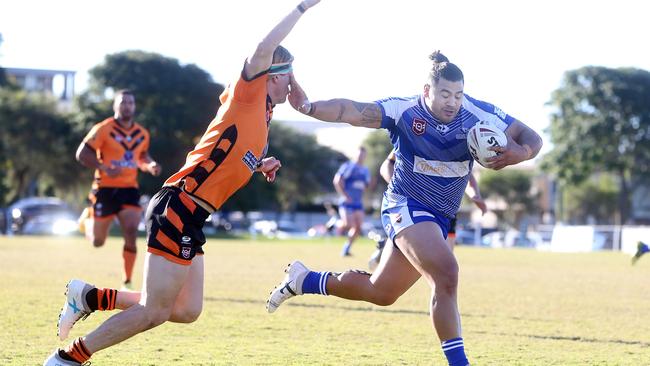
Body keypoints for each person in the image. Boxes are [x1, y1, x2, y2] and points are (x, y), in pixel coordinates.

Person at [44, 1, 321, 365]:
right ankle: (67, 358)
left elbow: (225, 158)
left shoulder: (263, 115)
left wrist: (258, 165)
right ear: (272, 75)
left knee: (186, 309)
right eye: (288, 76)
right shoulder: (246, 94)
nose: (292, 84)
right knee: (154, 311)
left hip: (192, 214)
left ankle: (91, 298)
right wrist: (302, 7)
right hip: (178, 206)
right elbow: (263, 50)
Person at [267, 50, 543, 366]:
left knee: (381, 292)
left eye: (458, 95)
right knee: (447, 274)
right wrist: (308, 107)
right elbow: (350, 110)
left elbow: (531, 137)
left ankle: (304, 280)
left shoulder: (478, 114)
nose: (452, 102)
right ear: (427, 91)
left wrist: (517, 154)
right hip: (405, 206)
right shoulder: (403, 110)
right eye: (444, 94)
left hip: (440, 216)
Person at [75, 89, 161, 290]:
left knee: (131, 231)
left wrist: (151, 165)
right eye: (123, 102)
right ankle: (87, 221)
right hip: (104, 189)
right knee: (97, 242)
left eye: (130, 102)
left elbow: (142, 157)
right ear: (115, 105)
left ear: (135, 106)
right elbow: (81, 154)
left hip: (129, 190)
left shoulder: (142, 133)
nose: (127, 106)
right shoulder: (103, 129)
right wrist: (104, 168)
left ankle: (127, 281)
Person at [368, 150, 487, 270]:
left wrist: (474, 195)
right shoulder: (416, 137)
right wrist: (401, 189)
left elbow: (466, 172)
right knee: (434, 262)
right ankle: (391, 249)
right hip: (417, 205)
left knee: (445, 263)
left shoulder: (459, 140)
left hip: (446, 209)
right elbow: (386, 165)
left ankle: (389, 247)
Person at [333, 146, 370, 256]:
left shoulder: (365, 170)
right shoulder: (348, 166)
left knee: (358, 227)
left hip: (358, 203)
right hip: (346, 202)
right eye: (359, 154)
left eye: (363, 155)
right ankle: (335, 224)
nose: (361, 157)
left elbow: (365, 185)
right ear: (355, 155)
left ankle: (346, 249)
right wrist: (345, 195)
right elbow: (337, 181)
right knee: (348, 224)